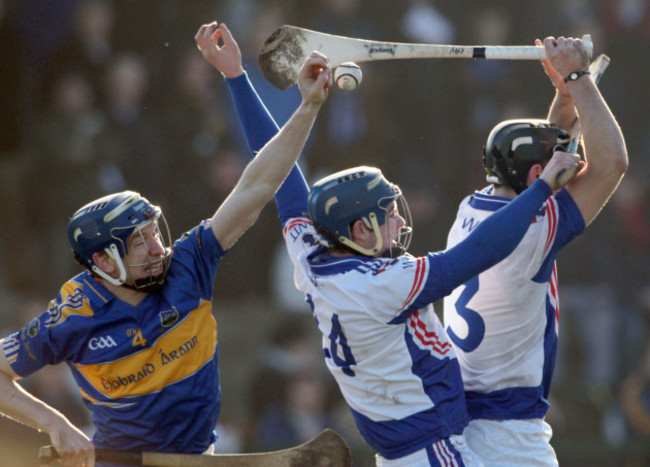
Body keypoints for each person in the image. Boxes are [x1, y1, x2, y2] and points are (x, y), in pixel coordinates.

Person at [206, 22, 582, 466]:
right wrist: (541, 191)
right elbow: (479, 252)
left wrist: (236, 78)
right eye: (388, 213)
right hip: (435, 451)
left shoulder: (313, 253)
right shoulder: (384, 283)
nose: (400, 220)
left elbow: (277, 168)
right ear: (359, 230)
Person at [0, 21, 332, 467]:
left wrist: (306, 107)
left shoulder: (189, 261)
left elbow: (257, 187)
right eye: (140, 242)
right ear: (104, 260)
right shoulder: (75, 314)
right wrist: (55, 422)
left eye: (155, 232)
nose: (158, 247)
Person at [442, 37, 628, 466]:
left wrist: (565, 97)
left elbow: (539, 175)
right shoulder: (534, 229)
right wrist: (581, 79)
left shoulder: (471, 206)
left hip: (462, 418)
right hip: (510, 433)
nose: (569, 163)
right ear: (535, 174)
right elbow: (613, 164)